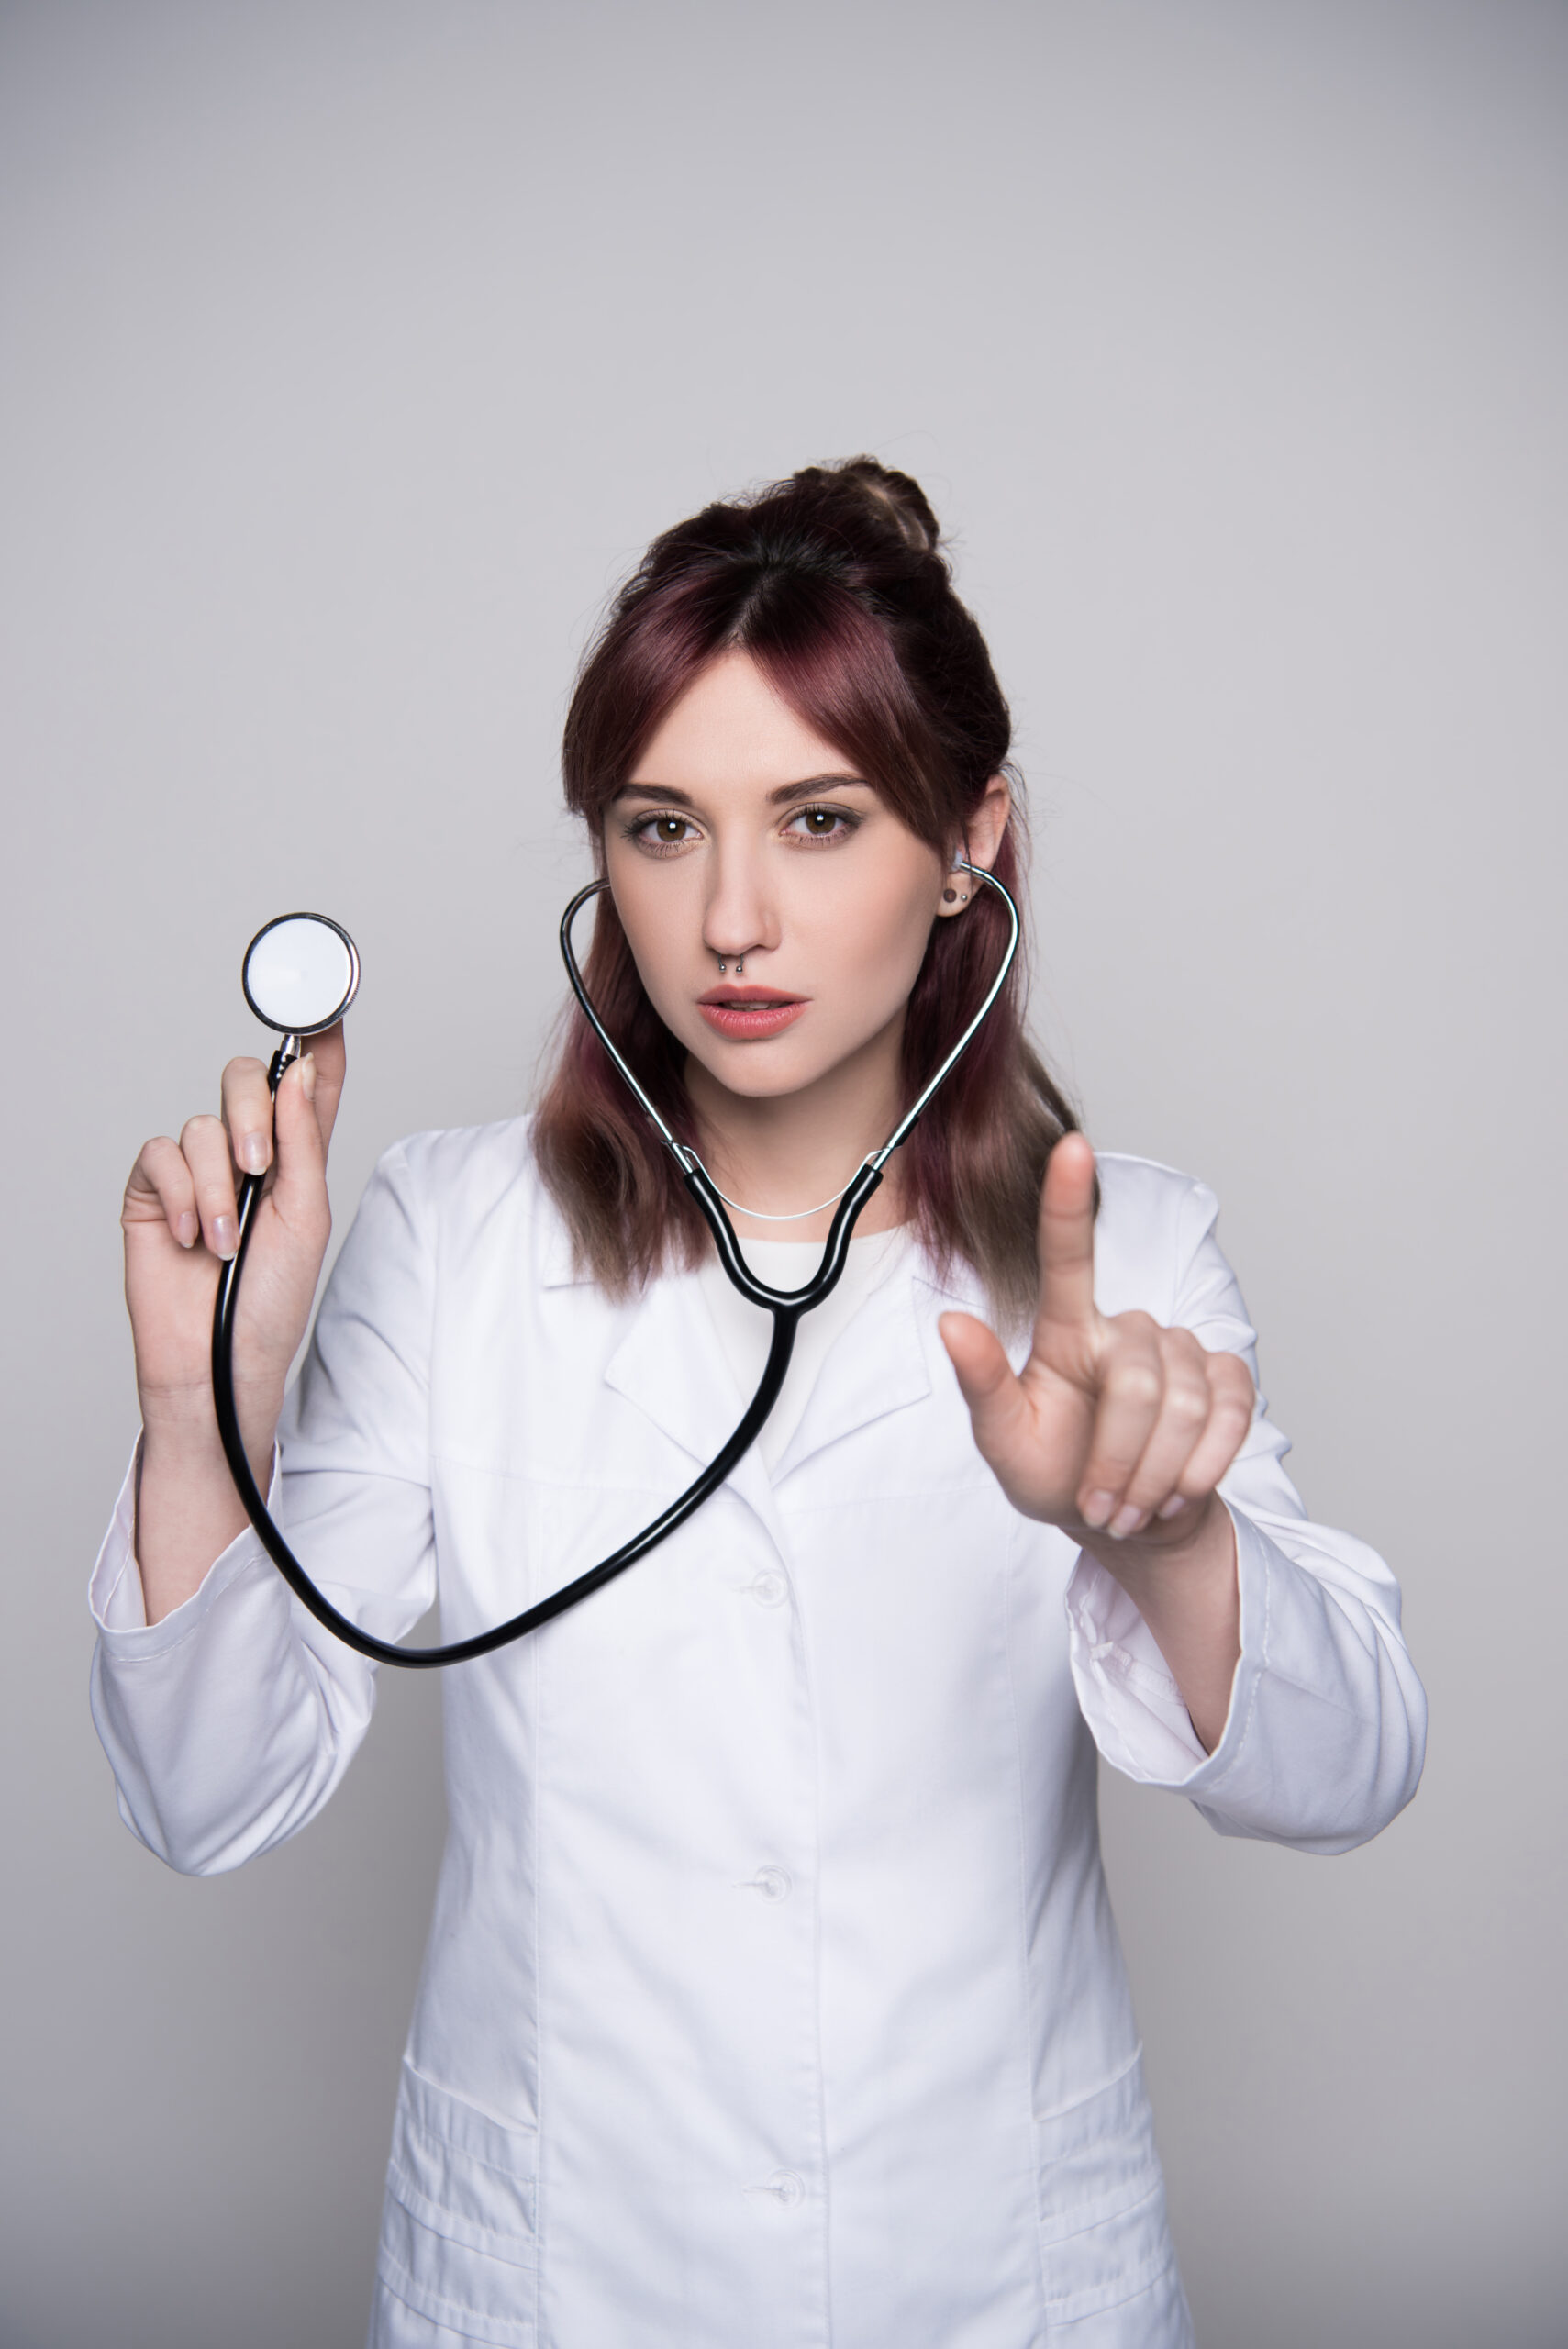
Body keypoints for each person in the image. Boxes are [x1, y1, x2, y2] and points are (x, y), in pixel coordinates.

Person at [93, 459, 1427, 2349]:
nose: (730, 916)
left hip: (996, 2273)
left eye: (817, 819)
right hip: (560, 2279)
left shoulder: (1121, 1254)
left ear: (970, 841)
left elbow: (1354, 1764)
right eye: (660, 827)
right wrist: (198, 1399)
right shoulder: (448, 1234)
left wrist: (1177, 1535)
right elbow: (205, 1796)